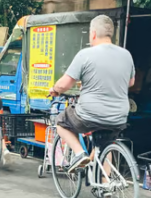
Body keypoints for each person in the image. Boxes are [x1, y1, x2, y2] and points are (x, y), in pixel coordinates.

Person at [50, 15, 135, 171]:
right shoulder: (126, 55)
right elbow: (131, 82)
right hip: (119, 116)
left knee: (61, 121)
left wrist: (55, 90)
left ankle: (79, 153)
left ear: (93, 33)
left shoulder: (85, 54)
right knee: (105, 145)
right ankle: (106, 186)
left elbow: (63, 85)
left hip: (90, 114)